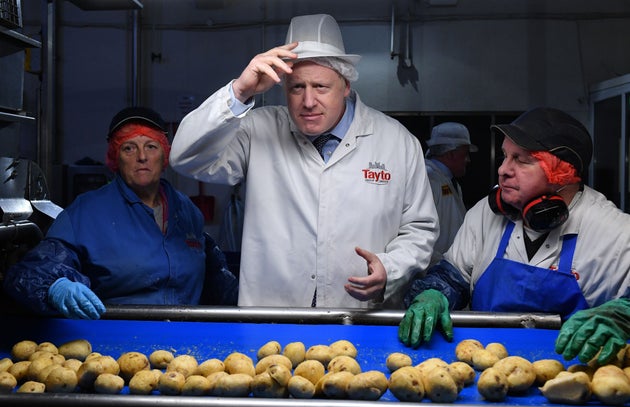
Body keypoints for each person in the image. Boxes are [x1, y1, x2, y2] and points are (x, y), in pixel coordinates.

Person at [169, 14, 438, 308]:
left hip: (359, 320)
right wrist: (239, 92)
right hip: (272, 319)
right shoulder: (258, 130)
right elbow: (185, 156)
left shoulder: (396, 142)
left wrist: (392, 268)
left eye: (321, 87)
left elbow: (420, 228)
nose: (308, 102)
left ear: (346, 85)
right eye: (297, 87)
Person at [398, 107, 630, 365]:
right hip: (486, 370)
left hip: (573, 377)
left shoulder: (614, 232)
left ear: (562, 171)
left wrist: (623, 315)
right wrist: (434, 293)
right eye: (505, 156)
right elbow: (454, 277)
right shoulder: (486, 215)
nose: (503, 170)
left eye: (521, 160)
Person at [3, 106, 237, 319]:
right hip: (114, 340)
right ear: (116, 158)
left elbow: (216, 280)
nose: (142, 156)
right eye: (129, 148)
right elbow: (32, 270)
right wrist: (54, 285)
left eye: (151, 146)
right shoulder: (88, 211)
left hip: (186, 343)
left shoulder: (186, 211)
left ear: (164, 155)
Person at [424, 122, 477, 265]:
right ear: (451, 153)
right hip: (432, 270)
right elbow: (419, 233)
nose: (468, 160)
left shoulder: (448, 181)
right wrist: (440, 263)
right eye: (465, 154)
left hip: (447, 268)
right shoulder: (429, 179)